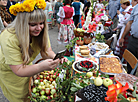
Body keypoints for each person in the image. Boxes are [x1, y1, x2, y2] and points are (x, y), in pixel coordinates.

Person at [0, 0, 67, 102]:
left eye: (41, 23)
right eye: (33, 25)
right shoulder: (8, 37)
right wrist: (41, 67)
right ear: (22, 24)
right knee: (21, 96)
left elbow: (46, 51)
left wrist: (56, 58)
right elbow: (18, 70)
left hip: (26, 65)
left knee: (32, 90)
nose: (39, 28)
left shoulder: (40, 32)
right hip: (12, 72)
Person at [119, 0, 138, 75]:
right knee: (130, 63)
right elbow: (130, 23)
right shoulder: (136, 7)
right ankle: (129, 77)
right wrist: (122, 37)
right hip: (133, 39)